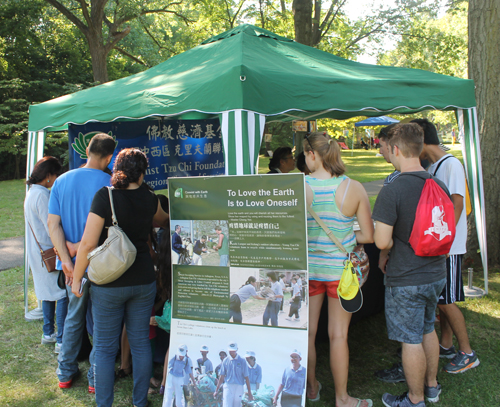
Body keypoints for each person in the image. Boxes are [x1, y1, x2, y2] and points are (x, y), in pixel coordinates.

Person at [71, 148, 169, 407]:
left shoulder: (106, 196)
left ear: (117, 169)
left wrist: (76, 279)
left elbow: (87, 245)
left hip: (109, 283)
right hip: (143, 280)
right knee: (139, 343)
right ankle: (140, 401)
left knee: (103, 348)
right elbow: (164, 221)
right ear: (143, 171)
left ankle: (104, 404)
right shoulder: (150, 197)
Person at [372, 123, 448, 407]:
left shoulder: (394, 189)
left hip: (406, 277)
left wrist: (390, 241)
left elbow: (381, 242)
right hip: (436, 272)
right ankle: (431, 387)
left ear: (395, 149)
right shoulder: (436, 183)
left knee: (410, 339)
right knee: (428, 329)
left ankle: (415, 400)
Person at [303, 132, 373, 407]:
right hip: (340, 273)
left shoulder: (298, 186)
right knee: (338, 335)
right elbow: (367, 235)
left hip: (307, 271)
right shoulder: (352, 187)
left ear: (312, 155)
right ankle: (342, 398)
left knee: (307, 333)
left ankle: (311, 388)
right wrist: (345, 234)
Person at [48, 133, 116, 391]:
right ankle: (95, 378)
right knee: (100, 322)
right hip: (102, 265)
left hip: (70, 266)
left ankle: (65, 372)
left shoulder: (61, 181)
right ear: (109, 157)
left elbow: (52, 225)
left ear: (86, 150)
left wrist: (66, 261)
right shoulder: (111, 183)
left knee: (72, 318)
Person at [415, 118, 479, 373]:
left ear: (421, 139)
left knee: (446, 301)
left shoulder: (451, 164)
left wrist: (441, 242)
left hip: (448, 247)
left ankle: (468, 352)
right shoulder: (433, 167)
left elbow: (456, 204)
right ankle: (446, 344)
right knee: (444, 298)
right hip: (441, 246)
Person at [25, 156, 67, 354]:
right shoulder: (42, 195)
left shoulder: (32, 192)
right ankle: (60, 339)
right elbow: (51, 225)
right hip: (49, 252)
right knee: (61, 293)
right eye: (55, 175)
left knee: (48, 295)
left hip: (39, 251)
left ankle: (48, 332)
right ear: (49, 176)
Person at [213, 342, 253, 406]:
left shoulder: (242, 361)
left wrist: (249, 393)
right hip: (228, 386)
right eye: (230, 351)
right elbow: (221, 377)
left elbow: (246, 378)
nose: (231, 352)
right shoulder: (225, 360)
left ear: (237, 349)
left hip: (239, 386)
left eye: (233, 351)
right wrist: (216, 390)